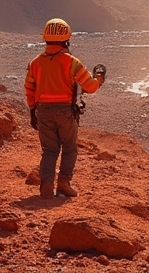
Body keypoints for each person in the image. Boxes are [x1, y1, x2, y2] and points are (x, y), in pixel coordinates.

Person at [24, 18, 106, 198]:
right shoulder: (72, 62)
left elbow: (30, 88)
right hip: (65, 112)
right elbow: (90, 87)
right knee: (69, 148)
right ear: (66, 39)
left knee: (49, 150)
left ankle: (46, 186)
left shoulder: (35, 63)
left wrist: (32, 111)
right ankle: (63, 184)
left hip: (43, 111)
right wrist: (99, 79)